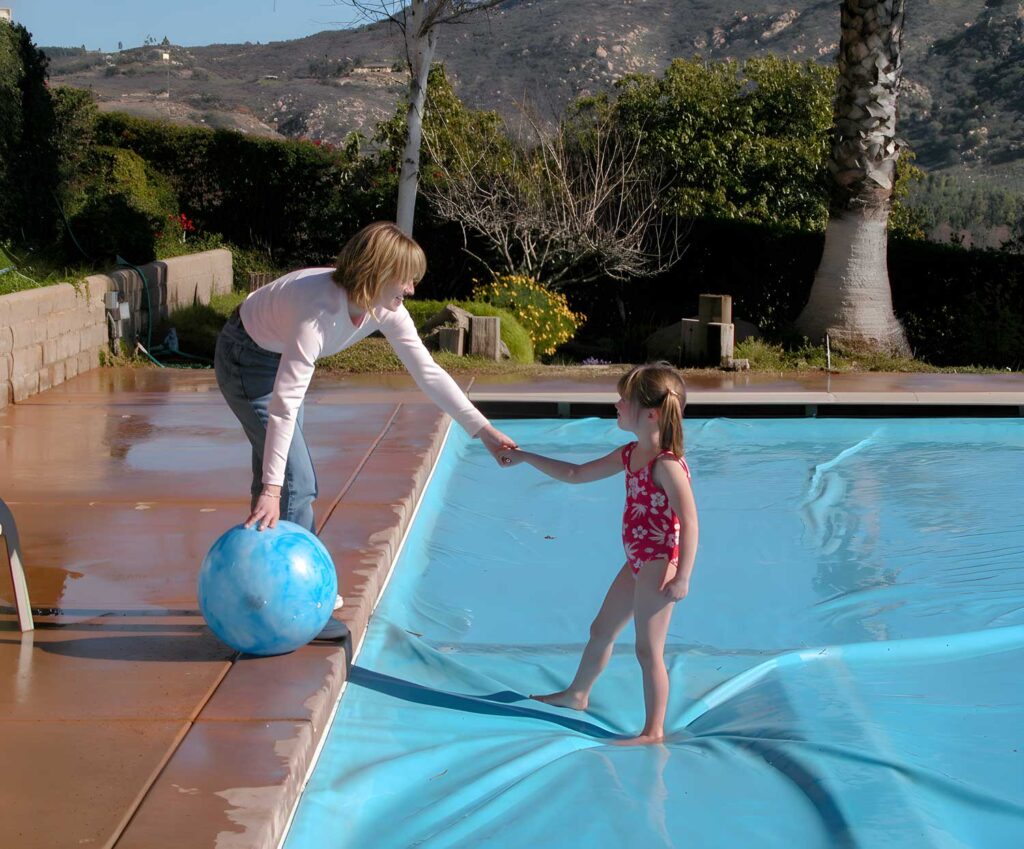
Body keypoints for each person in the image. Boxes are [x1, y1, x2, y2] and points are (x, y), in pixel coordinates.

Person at [214, 221, 517, 637]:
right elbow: (284, 405)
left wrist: (483, 431)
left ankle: (262, 589)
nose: (411, 289)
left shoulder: (384, 308)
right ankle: (305, 605)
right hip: (246, 358)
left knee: (283, 474)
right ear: (376, 272)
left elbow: (428, 373)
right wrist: (271, 489)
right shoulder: (319, 311)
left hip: (274, 355)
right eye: (405, 278)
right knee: (294, 482)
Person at [499, 363, 698, 745]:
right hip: (638, 560)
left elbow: (690, 522)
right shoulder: (630, 454)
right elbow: (576, 474)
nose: (617, 404)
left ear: (651, 414)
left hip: (659, 564)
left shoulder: (666, 465)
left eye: (625, 400)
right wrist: (526, 456)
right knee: (601, 630)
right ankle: (577, 694)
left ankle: (653, 731)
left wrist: (683, 576)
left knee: (648, 649)